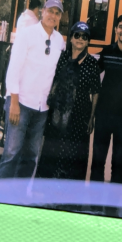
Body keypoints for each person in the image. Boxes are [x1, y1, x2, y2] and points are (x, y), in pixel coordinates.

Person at [0, 0, 65, 180]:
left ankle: (17, 197)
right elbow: (14, 69)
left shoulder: (59, 41)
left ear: (60, 17)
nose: (53, 15)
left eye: (57, 13)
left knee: (31, 156)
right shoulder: (27, 34)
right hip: (21, 103)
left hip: (42, 107)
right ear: (42, 11)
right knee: (11, 153)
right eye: (50, 11)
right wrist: (14, 103)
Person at [35, 21, 100, 181]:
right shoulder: (62, 57)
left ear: (88, 41)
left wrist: (92, 117)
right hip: (58, 113)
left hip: (79, 116)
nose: (80, 39)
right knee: (54, 148)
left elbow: (95, 92)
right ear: (71, 38)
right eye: (77, 35)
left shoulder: (92, 64)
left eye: (84, 37)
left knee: (73, 153)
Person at [91, 15, 122, 184]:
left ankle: (113, 203)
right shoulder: (107, 51)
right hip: (103, 113)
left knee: (118, 162)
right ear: (116, 29)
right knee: (98, 159)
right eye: (121, 27)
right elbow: (93, 75)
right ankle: (93, 202)